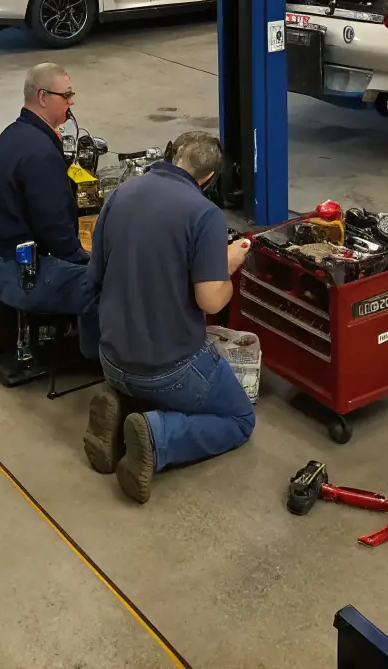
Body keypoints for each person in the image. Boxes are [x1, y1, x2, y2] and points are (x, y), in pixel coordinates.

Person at [82, 131, 254, 504]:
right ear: (208, 178)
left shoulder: (122, 194)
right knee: (240, 420)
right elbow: (210, 301)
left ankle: (122, 409)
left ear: (170, 155)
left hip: (111, 359)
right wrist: (226, 268)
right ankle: (159, 437)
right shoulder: (204, 213)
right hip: (168, 370)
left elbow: (93, 276)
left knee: (143, 382)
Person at [0, 62, 98, 358]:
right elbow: (58, 236)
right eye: (66, 95)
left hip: (4, 266)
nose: (72, 102)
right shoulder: (41, 154)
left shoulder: (12, 135)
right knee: (115, 283)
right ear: (43, 97)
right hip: (27, 278)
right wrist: (92, 260)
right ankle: (106, 363)